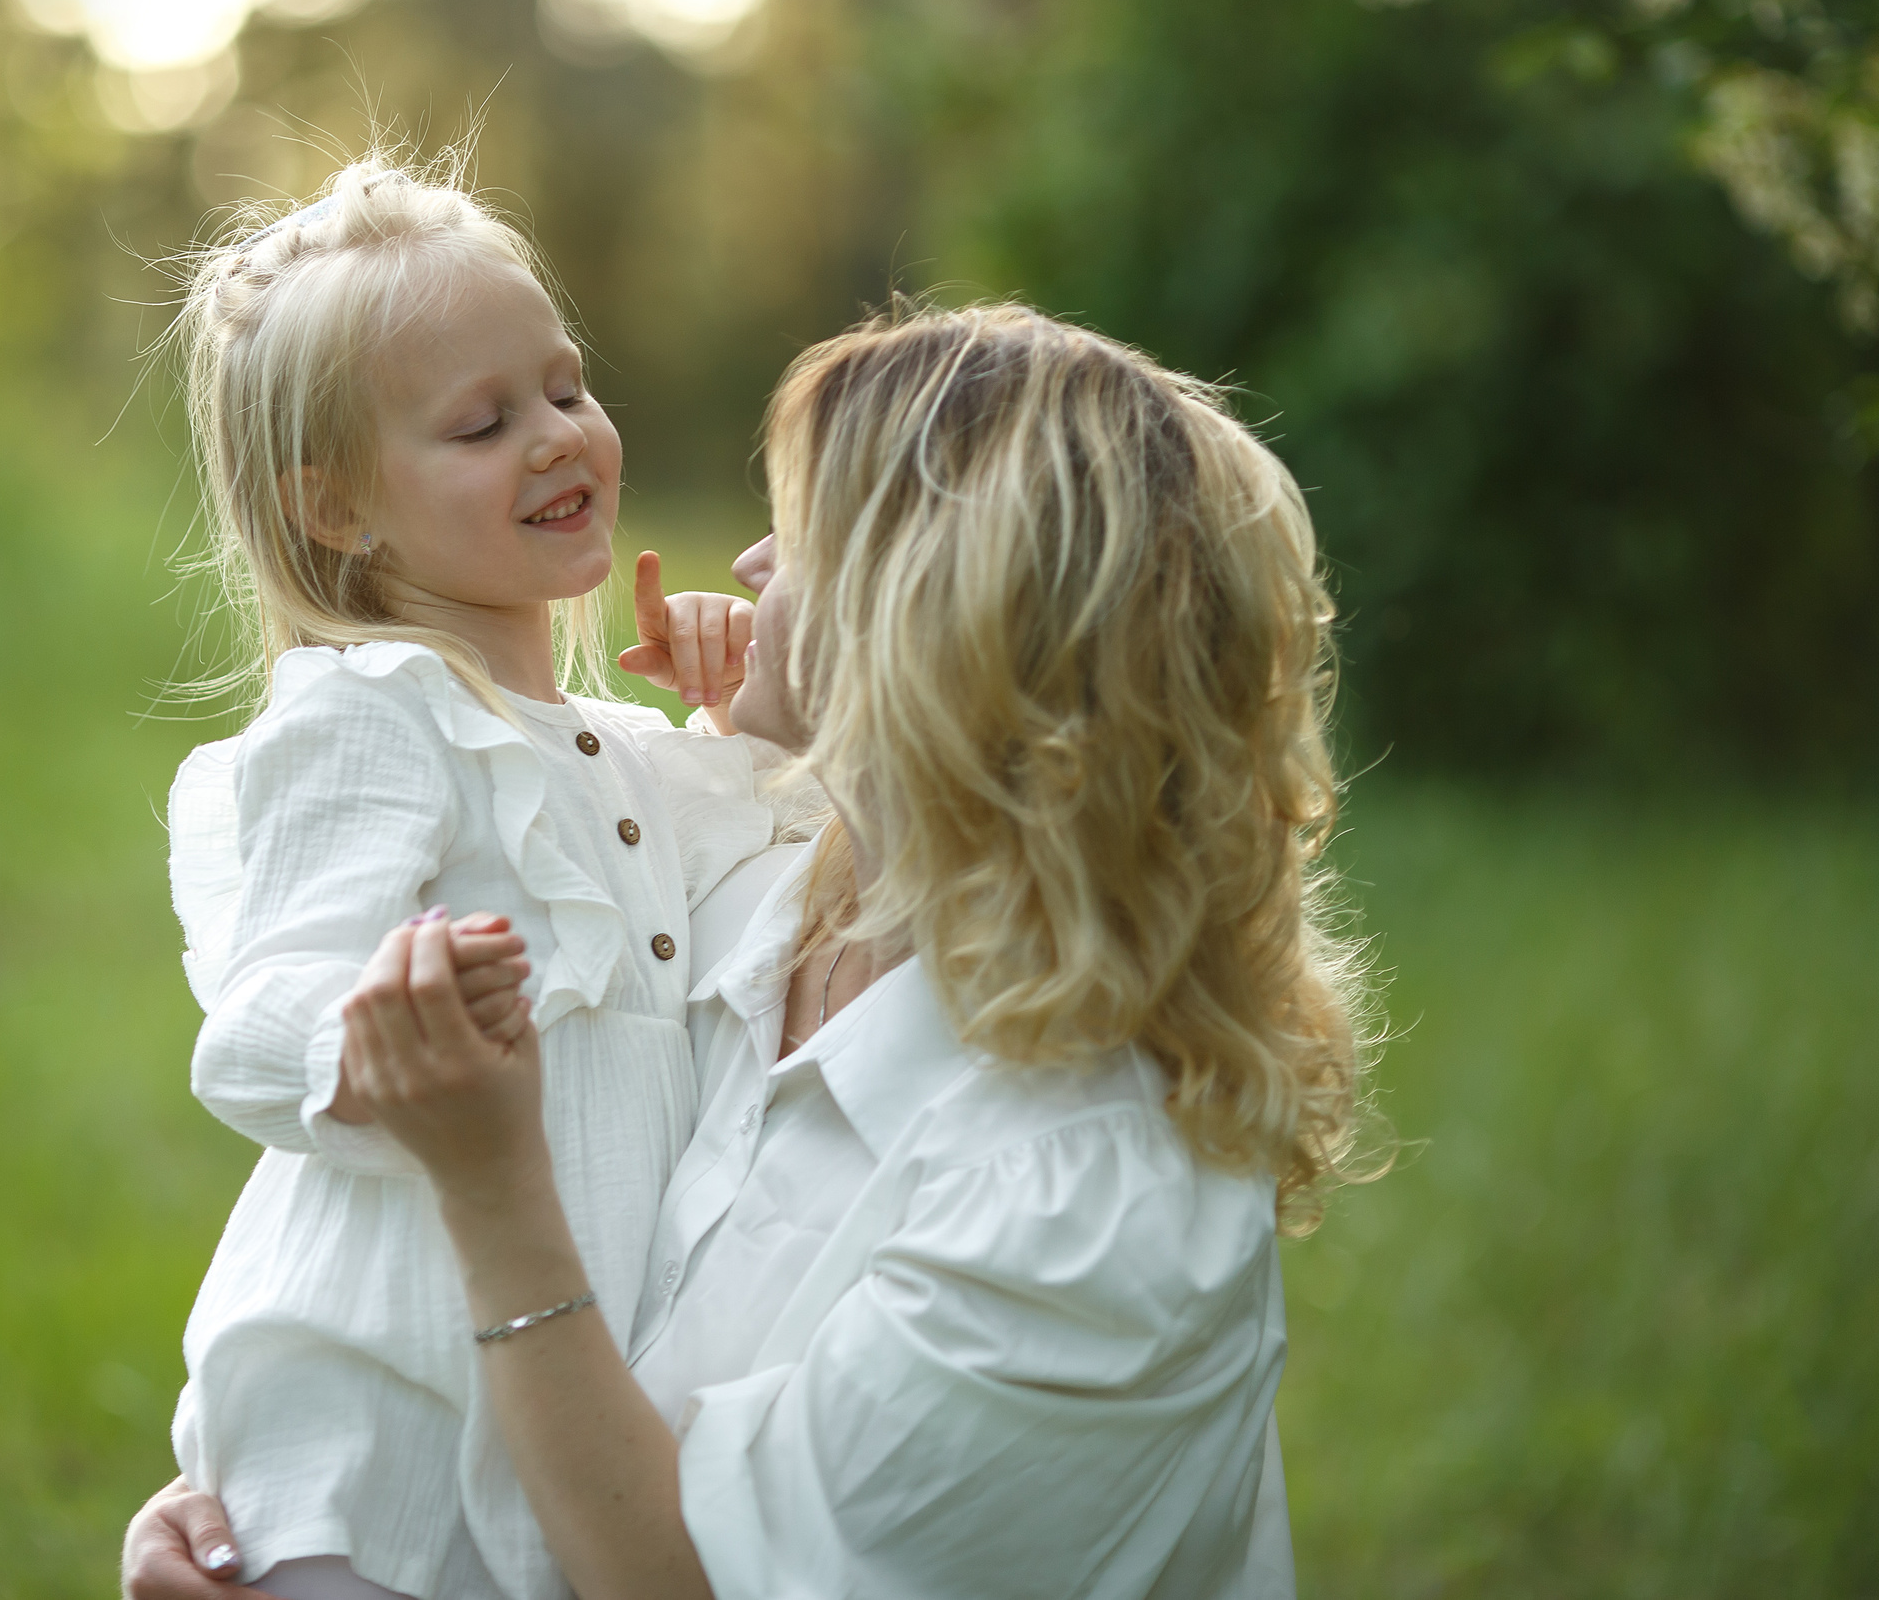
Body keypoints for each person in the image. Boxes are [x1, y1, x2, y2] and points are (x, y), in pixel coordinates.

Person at [129, 302, 1377, 1598]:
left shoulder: (1087, 1202)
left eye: (811, 537)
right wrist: (281, 1497)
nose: (757, 563)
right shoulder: (745, 906)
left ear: (936, 628)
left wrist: (494, 1197)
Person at [161, 150, 793, 1600]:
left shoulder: (620, 755)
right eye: (483, 421)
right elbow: (254, 1024)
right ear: (337, 511)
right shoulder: (371, 714)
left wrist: (744, 705)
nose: (560, 437)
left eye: (566, 388)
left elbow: (780, 852)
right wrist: (391, 1023)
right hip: (374, 1429)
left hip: (554, 1441)